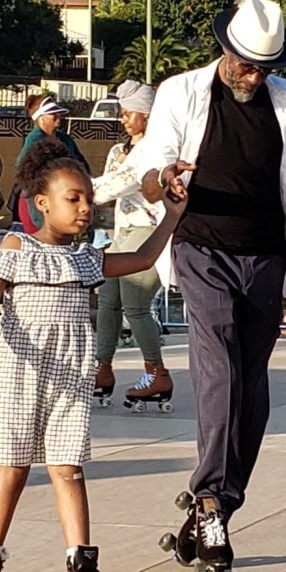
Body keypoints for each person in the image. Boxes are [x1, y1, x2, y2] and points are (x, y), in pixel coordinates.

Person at [0, 137, 185, 572]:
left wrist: (172, 215)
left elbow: (143, 257)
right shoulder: (17, 249)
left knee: (68, 468)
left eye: (87, 199)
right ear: (42, 202)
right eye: (72, 199)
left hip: (68, 380)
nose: (84, 208)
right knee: (13, 469)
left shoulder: (85, 260)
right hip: (18, 374)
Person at [138, 0, 286, 572]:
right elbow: (149, 174)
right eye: (247, 65)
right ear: (226, 50)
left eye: (266, 68)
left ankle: (212, 508)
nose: (255, 77)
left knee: (251, 390)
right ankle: (212, 504)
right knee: (218, 367)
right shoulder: (182, 92)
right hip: (200, 248)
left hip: (267, 256)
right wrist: (166, 178)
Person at [91, 79, 172, 409]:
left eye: (128, 114)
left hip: (147, 230)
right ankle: (102, 368)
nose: (123, 120)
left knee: (135, 306)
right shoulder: (120, 150)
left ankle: (157, 372)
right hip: (123, 232)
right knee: (108, 301)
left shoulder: (155, 149)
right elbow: (109, 187)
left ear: (147, 115)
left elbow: (110, 188)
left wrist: (73, 190)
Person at [16, 94, 88, 232]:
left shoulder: (65, 139)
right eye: (52, 113)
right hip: (37, 201)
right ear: (41, 118)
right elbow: (22, 168)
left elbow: (81, 162)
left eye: (57, 112)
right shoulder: (35, 139)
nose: (57, 116)